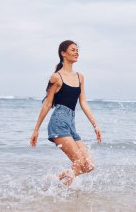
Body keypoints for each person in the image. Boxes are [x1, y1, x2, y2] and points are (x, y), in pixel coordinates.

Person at [30, 40, 102, 186]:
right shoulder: (56, 77)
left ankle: (56, 179)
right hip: (58, 123)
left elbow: (83, 102)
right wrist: (36, 130)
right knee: (79, 161)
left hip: (71, 124)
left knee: (89, 165)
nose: (76, 52)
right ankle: (62, 192)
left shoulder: (80, 77)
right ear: (63, 53)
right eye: (73, 50)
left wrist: (95, 125)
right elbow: (47, 104)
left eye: (77, 50)